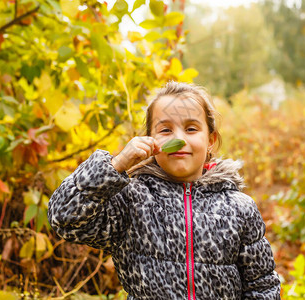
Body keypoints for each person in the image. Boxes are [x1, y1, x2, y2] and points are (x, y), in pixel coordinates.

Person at [48, 81, 281, 299]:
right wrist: (116, 164)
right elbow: (64, 219)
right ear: (149, 141)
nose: (179, 138)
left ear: (211, 140)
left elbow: (262, 285)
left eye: (191, 129)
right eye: (166, 131)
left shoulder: (239, 208)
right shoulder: (131, 200)